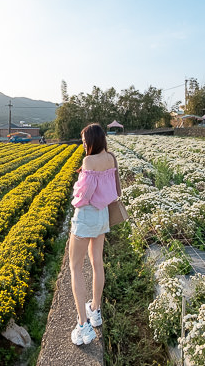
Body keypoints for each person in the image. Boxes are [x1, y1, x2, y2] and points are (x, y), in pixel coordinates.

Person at [69, 123, 120, 345]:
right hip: (103, 216)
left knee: (75, 267)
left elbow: (85, 194)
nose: (83, 145)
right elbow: (115, 189)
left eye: (84, 141)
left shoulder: (89, 161)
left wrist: (75, 190)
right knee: (97, 262)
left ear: (92, 141)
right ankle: (95, 311)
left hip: (86, 216)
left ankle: (83, 325)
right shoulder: (111, 157)